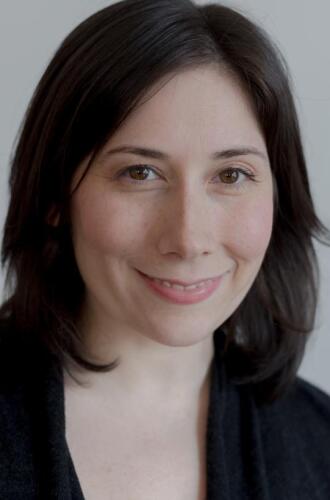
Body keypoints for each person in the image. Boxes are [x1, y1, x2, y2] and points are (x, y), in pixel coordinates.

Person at [0, 0, 329, 498]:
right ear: (55, 197)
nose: (187, 239)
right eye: (140, 173)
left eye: (232, 175)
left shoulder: (319, 443)